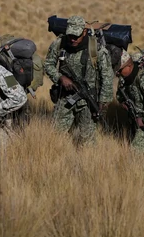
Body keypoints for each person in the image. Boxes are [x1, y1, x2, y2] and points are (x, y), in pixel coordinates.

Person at [43, 15, 113, 146]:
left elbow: (107, 76)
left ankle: (87, 163)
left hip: (88, 99)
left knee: (87, 140)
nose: (73, 39)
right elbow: (48, 65)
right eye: (70, 35)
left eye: (76, 36)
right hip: (64, 98)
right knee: (54, 136)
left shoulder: (96, 49)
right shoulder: (60, 44)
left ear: (84, 32)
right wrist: (60, 78)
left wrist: (104, 100)